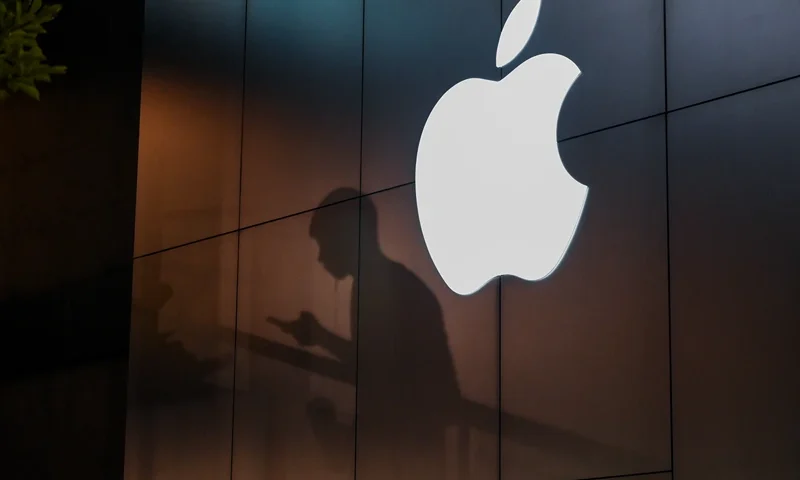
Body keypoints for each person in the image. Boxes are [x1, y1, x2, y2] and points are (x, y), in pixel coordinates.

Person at [269, 187, 461, 480]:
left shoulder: (378, 288)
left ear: (346, 237)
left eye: (325, 244)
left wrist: (320, 336)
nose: (320, 257)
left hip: (405, 448)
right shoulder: (388, 283)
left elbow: (377, 367)